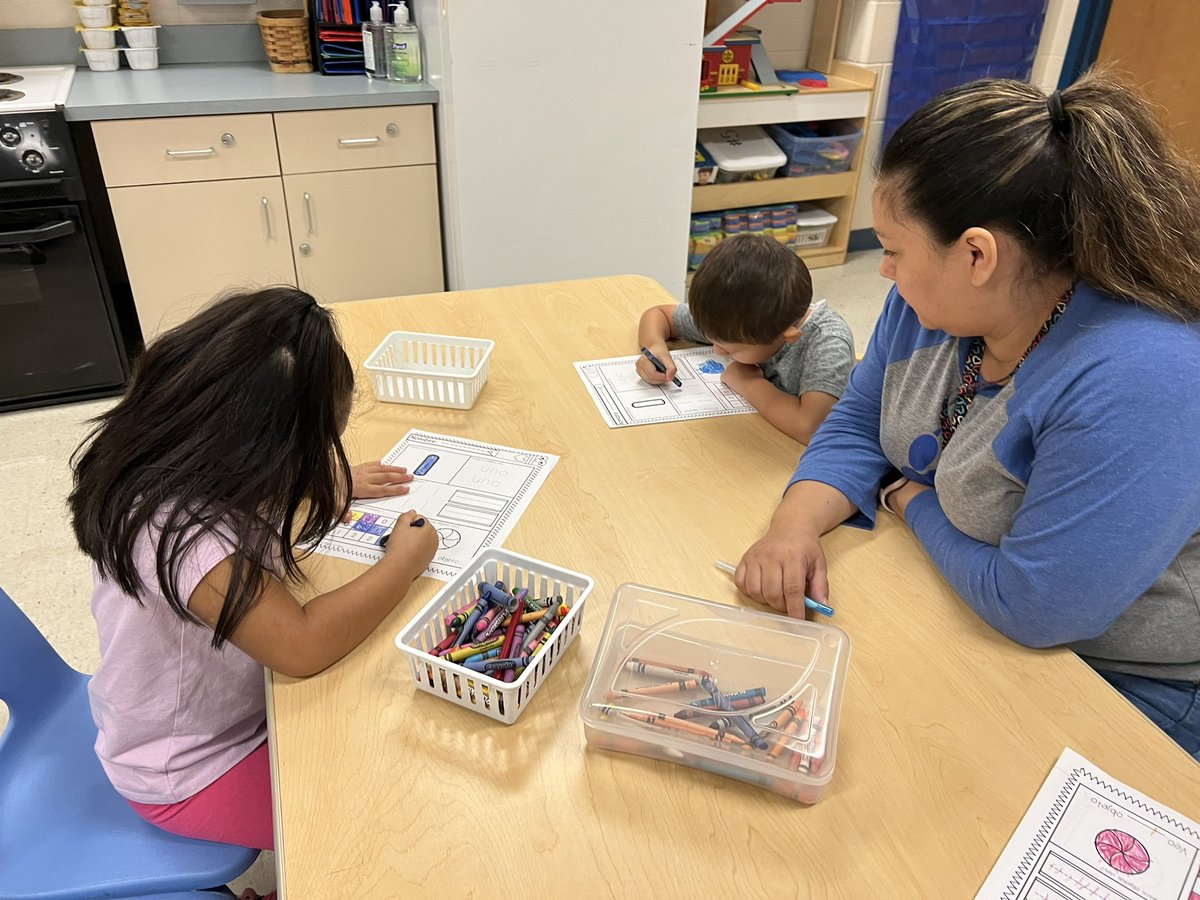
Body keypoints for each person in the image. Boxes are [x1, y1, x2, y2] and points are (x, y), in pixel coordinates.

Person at [735, 70, 1200, 760]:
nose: (883, 273)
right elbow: (862, 422)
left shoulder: (1141, 375)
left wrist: (909, 499)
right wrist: (794, 526)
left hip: (1128, 679)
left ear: (978, 254)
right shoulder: (934, 306)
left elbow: (1035, 605)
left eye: (893, 250)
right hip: (974, 610)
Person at [69, 287, 439, 860]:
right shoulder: (185, 539)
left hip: (218, 719)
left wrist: (320, 482)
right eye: (310, 452)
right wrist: (403, 564)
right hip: (186, 772)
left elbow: (250, 510)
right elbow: (302, 644)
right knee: (370, 832)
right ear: (256, 454)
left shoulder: (169, 464)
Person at [637, 233, 855, 443]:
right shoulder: (730, 313)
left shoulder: (827, 343)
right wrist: (655, 347)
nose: (718, 351)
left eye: (731, 350)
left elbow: (810, 428)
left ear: (787, 336)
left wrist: (749, 383)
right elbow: (659, 314)